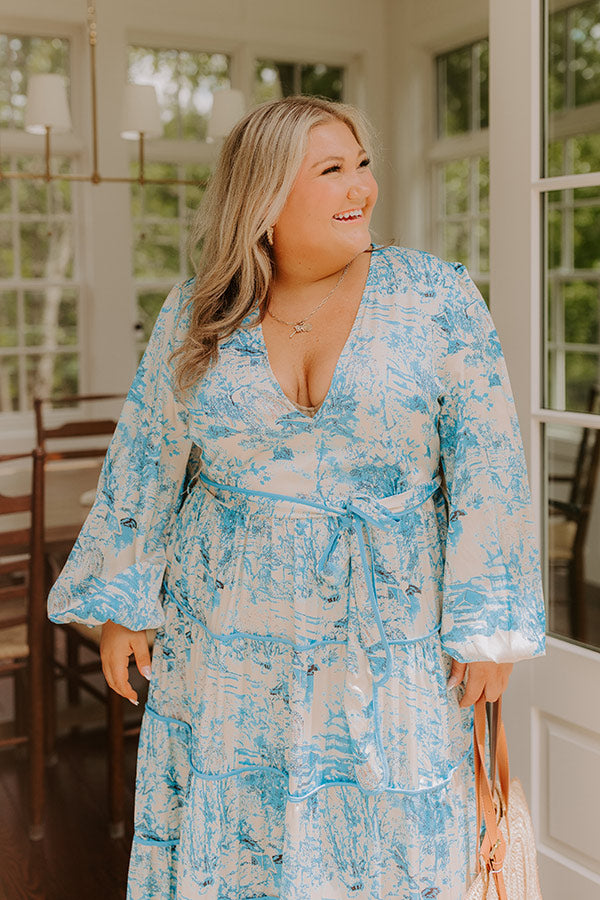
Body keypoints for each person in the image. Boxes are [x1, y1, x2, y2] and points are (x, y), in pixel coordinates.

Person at [48, 95, 546, 900]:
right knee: (240, 841)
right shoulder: (198, 311)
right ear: (267, 196)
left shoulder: (435, 298)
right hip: (227, 639)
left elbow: (489, 466)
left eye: (362, 165)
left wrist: (491, 627)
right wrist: (123, 605)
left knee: (400, 843)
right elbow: (147, 455)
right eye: (333, 170)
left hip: (395, 633)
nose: (362, 187)